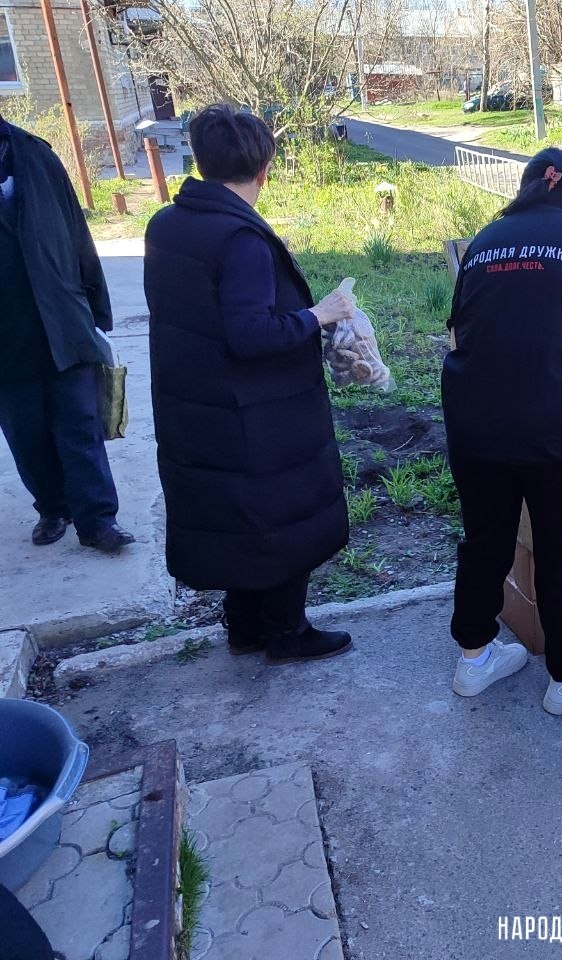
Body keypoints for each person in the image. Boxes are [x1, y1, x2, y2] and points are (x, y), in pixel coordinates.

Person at [145, 104, 355, 665]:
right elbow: (250, 333)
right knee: (281, 516)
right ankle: (287, 633)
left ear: (201, 160)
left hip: (198, 403)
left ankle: (244, 627)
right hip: (257, 413)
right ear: (264, 168)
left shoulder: (167, 225)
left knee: (239, 516)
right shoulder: (241, 239)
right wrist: (318, 315)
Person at [444, 147, 562, 716]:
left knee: (484, 542)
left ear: (523, 190)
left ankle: (474, 659)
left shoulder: (483, 243)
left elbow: (460, 339)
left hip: (476, 424)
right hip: (556, 429)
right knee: (561, 555)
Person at [0, 112, 134, 553]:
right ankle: (53, 507)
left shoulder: (34, 154)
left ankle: (98, 521)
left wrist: (96, 307)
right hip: (7, 333)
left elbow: (76, 231)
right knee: (26, 432)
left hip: (63, 318)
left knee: (81, 424)